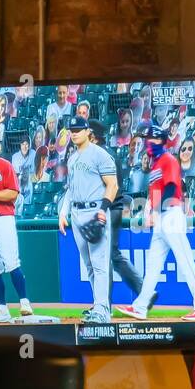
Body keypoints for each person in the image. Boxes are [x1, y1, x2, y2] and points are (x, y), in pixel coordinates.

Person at [116, 123, 195, 322]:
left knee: (185, 262)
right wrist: (150, 210)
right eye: (147, 139)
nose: (148, 142)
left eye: (151, 138)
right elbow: (156, 192)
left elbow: (170, 188)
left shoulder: (168, 159)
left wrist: (156, 211)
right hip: (161, 219)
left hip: (172, 215)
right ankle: (141, 307)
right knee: (152, 265)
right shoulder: (156, 164)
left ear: (160, 140)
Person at [57, 114, 118, 324]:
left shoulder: (100, 154)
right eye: (71, 131)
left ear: (87, 132)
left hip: (95, 211)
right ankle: (99, 306)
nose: (74, 134)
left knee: (100, 264)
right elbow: (70, 190)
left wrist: (103, 210)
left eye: (78, 130)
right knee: (89, 266)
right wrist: (63, 212)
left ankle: (102, 311)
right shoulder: (72, 158)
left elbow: (113, 185)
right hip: (76, 213)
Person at [0, 130, 33, 322]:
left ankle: (24, 302)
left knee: (11, 263)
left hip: (2, 218)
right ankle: (2, 309)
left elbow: (13, 194)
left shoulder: (4, 165)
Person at [88, 119, 144, 304]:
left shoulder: (98, 155)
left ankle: (105, 304)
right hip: (115, 208)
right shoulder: (110, 153)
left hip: (108, 209)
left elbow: (106, 187)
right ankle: (143, 293)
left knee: (105, 258)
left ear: (92, 136)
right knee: (112, 255)